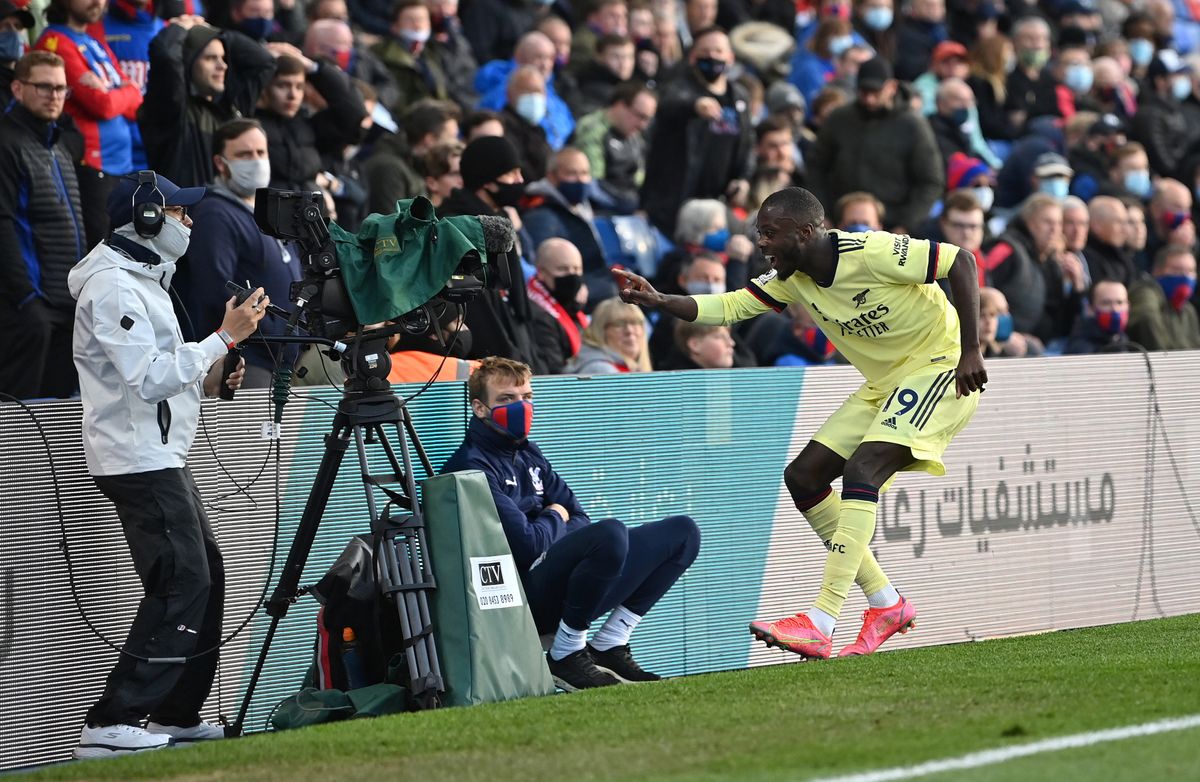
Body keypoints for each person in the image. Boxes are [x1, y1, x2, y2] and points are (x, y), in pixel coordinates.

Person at [615, 186, 986, 659]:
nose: (762, 243)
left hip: (941, 365)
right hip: (886, 382)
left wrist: (972, 349)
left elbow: (962, 262)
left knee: (861, 470)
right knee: (804, 476)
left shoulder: (870, 250)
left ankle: (821, 619)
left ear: (808, 231)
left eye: (770, 233)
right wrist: (660, 300)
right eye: (758, 234)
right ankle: (886, 603)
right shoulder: (791, 278)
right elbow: (729, 307)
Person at [68, 170, 266, 758]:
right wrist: (222, 339)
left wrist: (215, 371)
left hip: (156, 454)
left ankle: (177, 715)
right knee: (182, 578)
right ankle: (113, 719)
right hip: (136, 458)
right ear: (147, 219)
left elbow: (168, 372)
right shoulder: (113, 288)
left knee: (207, 571)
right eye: (179, 212)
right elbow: (149, 378)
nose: (188, 220)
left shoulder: (145, 280)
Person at [441, 356, 700, 690]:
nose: (521, 407)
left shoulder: (529, 453)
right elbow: (528, 546)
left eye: (526, 397)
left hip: (563, 582)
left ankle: (609, 643)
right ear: (479, 408)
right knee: (609, 534)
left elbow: (579, 517)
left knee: (682, 533)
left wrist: (550, 523)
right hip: (517, 600)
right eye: (506, 400)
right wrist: (553, 514)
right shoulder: (471, 465)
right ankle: (565, 655)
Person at [176, 119, 301, 388]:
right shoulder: (215, 214)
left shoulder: (268, 213)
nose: (255, 161)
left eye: (260, 153)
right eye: (244, 155)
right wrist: (262, 334)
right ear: (221, 163)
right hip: (246, 363)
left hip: (282, 362)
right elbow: (213, 289)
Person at [0, 51, 86, 401]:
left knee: (56, 419)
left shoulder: (56, 143)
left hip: (63, 305)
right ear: (18, 89)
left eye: (61, 89)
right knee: (18, 420)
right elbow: (3, 223)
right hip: (28, 309)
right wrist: (25, 298)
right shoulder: (6, 142)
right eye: (44, 87)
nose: (54, 96)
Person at [1127, 244, 1200, 350]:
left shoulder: (1188, 310)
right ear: (1157, 271)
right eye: (1177, 270)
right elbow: (1145, 319)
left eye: (1190, 271)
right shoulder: (1145, 291)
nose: (1185, 276)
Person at [565, 297, 651, 374]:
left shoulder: (630, 368)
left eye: (635, 322)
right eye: (619, 324)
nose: (630, 331)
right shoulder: (599, 370)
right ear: (600, 331)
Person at [1064, 279, 1137, 354]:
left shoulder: (1123, 338)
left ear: (1128, 306)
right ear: (1090, 308)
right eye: (1106, 303)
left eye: (1120, 302)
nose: (1115, 309)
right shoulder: (1080, 346)